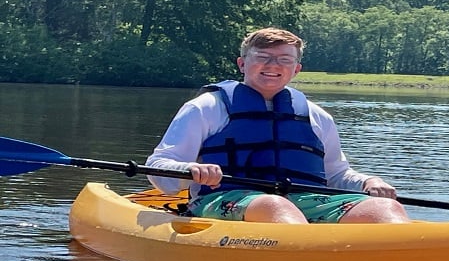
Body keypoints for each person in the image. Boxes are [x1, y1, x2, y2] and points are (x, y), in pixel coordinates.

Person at [145, 27, 410, 224]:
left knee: (385, 209)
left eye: (284, 59)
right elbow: (159, 167)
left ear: (296, 69)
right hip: (222, 199)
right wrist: (190, 169)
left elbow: (336, 175)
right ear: (242, 63)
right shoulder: (205, 108)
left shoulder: (318, 117)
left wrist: (369, 182)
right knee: (274, 206)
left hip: (303, 200)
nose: (273, 66)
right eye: (263, 57)